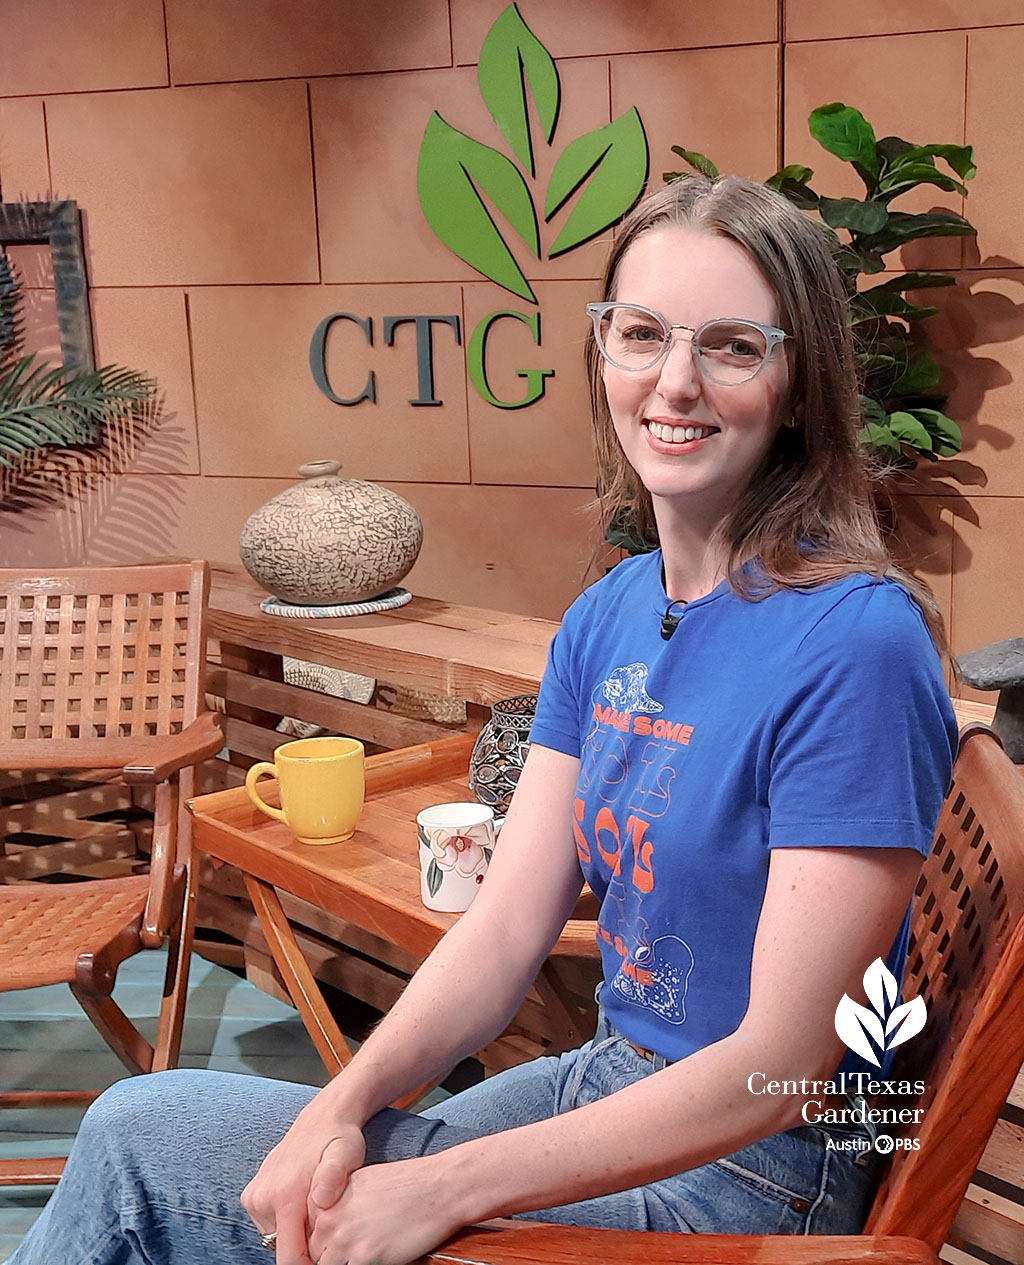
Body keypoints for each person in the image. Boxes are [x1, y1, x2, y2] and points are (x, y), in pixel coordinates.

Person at [10, 175, 958, 1265]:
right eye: (641, 333)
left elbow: (777, 1061)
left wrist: (438, 1185)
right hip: (607, 1078)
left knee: (141, 1135)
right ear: (603, 351)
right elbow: (505, 930)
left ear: (798, 384)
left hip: (748, 1174)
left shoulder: (853, 642)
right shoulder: (609, 615)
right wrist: (345, 1099)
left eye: (733, 345)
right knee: (280, 1158)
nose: (675, 381)